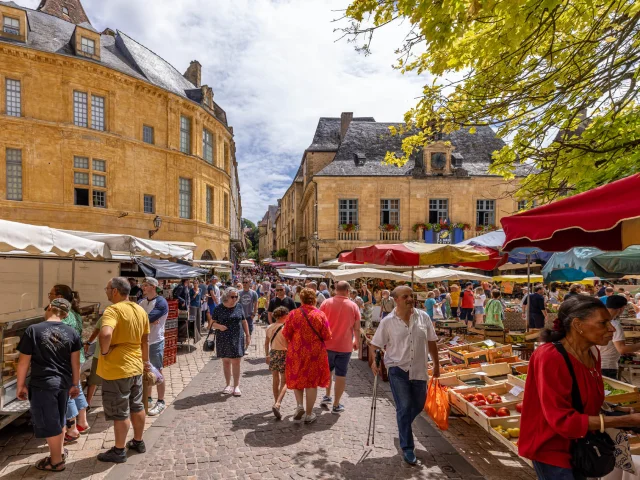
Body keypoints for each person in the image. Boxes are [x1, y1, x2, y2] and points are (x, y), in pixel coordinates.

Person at [519, 295, 640, 478]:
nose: (612, 328)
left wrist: (619, 410)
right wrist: (623, 421)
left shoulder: (593, 353)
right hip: (553, 451)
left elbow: (586, 401)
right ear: (577, 325)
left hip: (583, 447)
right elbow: (563, 421)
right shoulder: (550, 356)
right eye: (603, 323)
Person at [371, 286, 440, 466]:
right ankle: (407, 447)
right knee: (404, 406)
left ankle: (403, 426)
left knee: (418, 404)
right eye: (405, 296)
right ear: (396, 300)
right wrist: (374, 361)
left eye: (411, 296)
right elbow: (375, 344)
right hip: (397, 368)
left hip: (419, 369)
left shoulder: (423, 317)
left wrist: (437, 364)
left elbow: (432, 342)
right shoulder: (388, 321)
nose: (410, 299)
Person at [16, 298, 81, 472]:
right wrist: (75, 384)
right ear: (66, 314)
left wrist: (20, 385)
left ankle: (56, 462)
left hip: (43, 384)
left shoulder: (33, 330)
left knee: (49, 422)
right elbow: (76, 363)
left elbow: (23, 362)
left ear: (50, 307)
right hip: (63, 384)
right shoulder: (72, 332)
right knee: (59, 419)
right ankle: (58, 453)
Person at [97, 277, 150, 463]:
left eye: (107, 288)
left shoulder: (113, 310)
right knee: (137, 405)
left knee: (120, 412)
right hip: (135, 365)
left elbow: (105, 333)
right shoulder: (140, 309)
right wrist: (145, 363)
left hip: (117, 368)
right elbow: (145, 341)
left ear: (115, 291)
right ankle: (138, 441)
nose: (106, 291)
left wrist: (104, 351)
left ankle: (119, 450)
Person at [282, 288, 332, 424]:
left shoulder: (293, 314)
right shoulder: (320, 315)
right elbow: (327, 335)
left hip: (297, 351)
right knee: (312, 383)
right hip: (315, 353)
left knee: (297, 377)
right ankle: (309, 414)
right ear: (314, 300)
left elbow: (286, 333)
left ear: (301, 299)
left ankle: (299, 405)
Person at [48, 285, 90, 443]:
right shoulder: (75, 312)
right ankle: (82, 422)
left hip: (67, 358)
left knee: (67, 392)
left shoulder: (63, 315)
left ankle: (71, 430)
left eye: (50, 294)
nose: (49, 296)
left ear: (58, 296)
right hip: (77, 356)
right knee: (76, 387)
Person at [319, 281, 361, 413]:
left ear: (335, 290)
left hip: (327, 344)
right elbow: (357, 328)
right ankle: (336, 404)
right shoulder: (353, 306)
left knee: (328, 372)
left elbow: (319, 321)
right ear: (348, 291)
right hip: (345, 346)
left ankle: (327, 396)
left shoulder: (326, 303)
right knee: (341, 375)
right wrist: (357, 341)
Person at [210, 288, 251, 396]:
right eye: (232, 297)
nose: (235, 299)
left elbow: (244, 321)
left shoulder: (239, 306)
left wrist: (248, 335)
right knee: (226, 362)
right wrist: (219, 326)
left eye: (236, 297)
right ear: (226, 297)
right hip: (223, 337)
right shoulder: (219, 308)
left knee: (236, 361)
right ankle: (228, 384)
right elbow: (211, 323)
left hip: (237, 337)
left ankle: (236, 386)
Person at [138, 277, 169, 415]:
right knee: (146, 371)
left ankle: (161, 401)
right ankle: (148, 398)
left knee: (157, 371)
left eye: (145, 285)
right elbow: (138, 319)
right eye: (143, 285)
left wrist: (147, 320)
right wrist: (147, 320)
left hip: (155, 341)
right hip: (142, 342)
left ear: (153, 287)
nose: (143, 287)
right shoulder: (141, 302)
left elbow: (146, 319)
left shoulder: (161, 302)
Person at [598, 295, 640, 379]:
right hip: (607, 365)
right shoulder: (614, 325)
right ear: (621, 308)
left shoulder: (598, 320)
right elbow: (622, 349)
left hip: (596, 363)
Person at [265, 306, 289, 419]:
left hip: (273, 353)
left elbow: (266, 343)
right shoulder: (286, 328)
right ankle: (278, 403)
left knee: (275, 379)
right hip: (284, 353)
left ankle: (275, 401)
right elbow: (289, 343)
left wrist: (267, 355)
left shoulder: (269, 327)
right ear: (284, 316)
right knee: (284, 381)